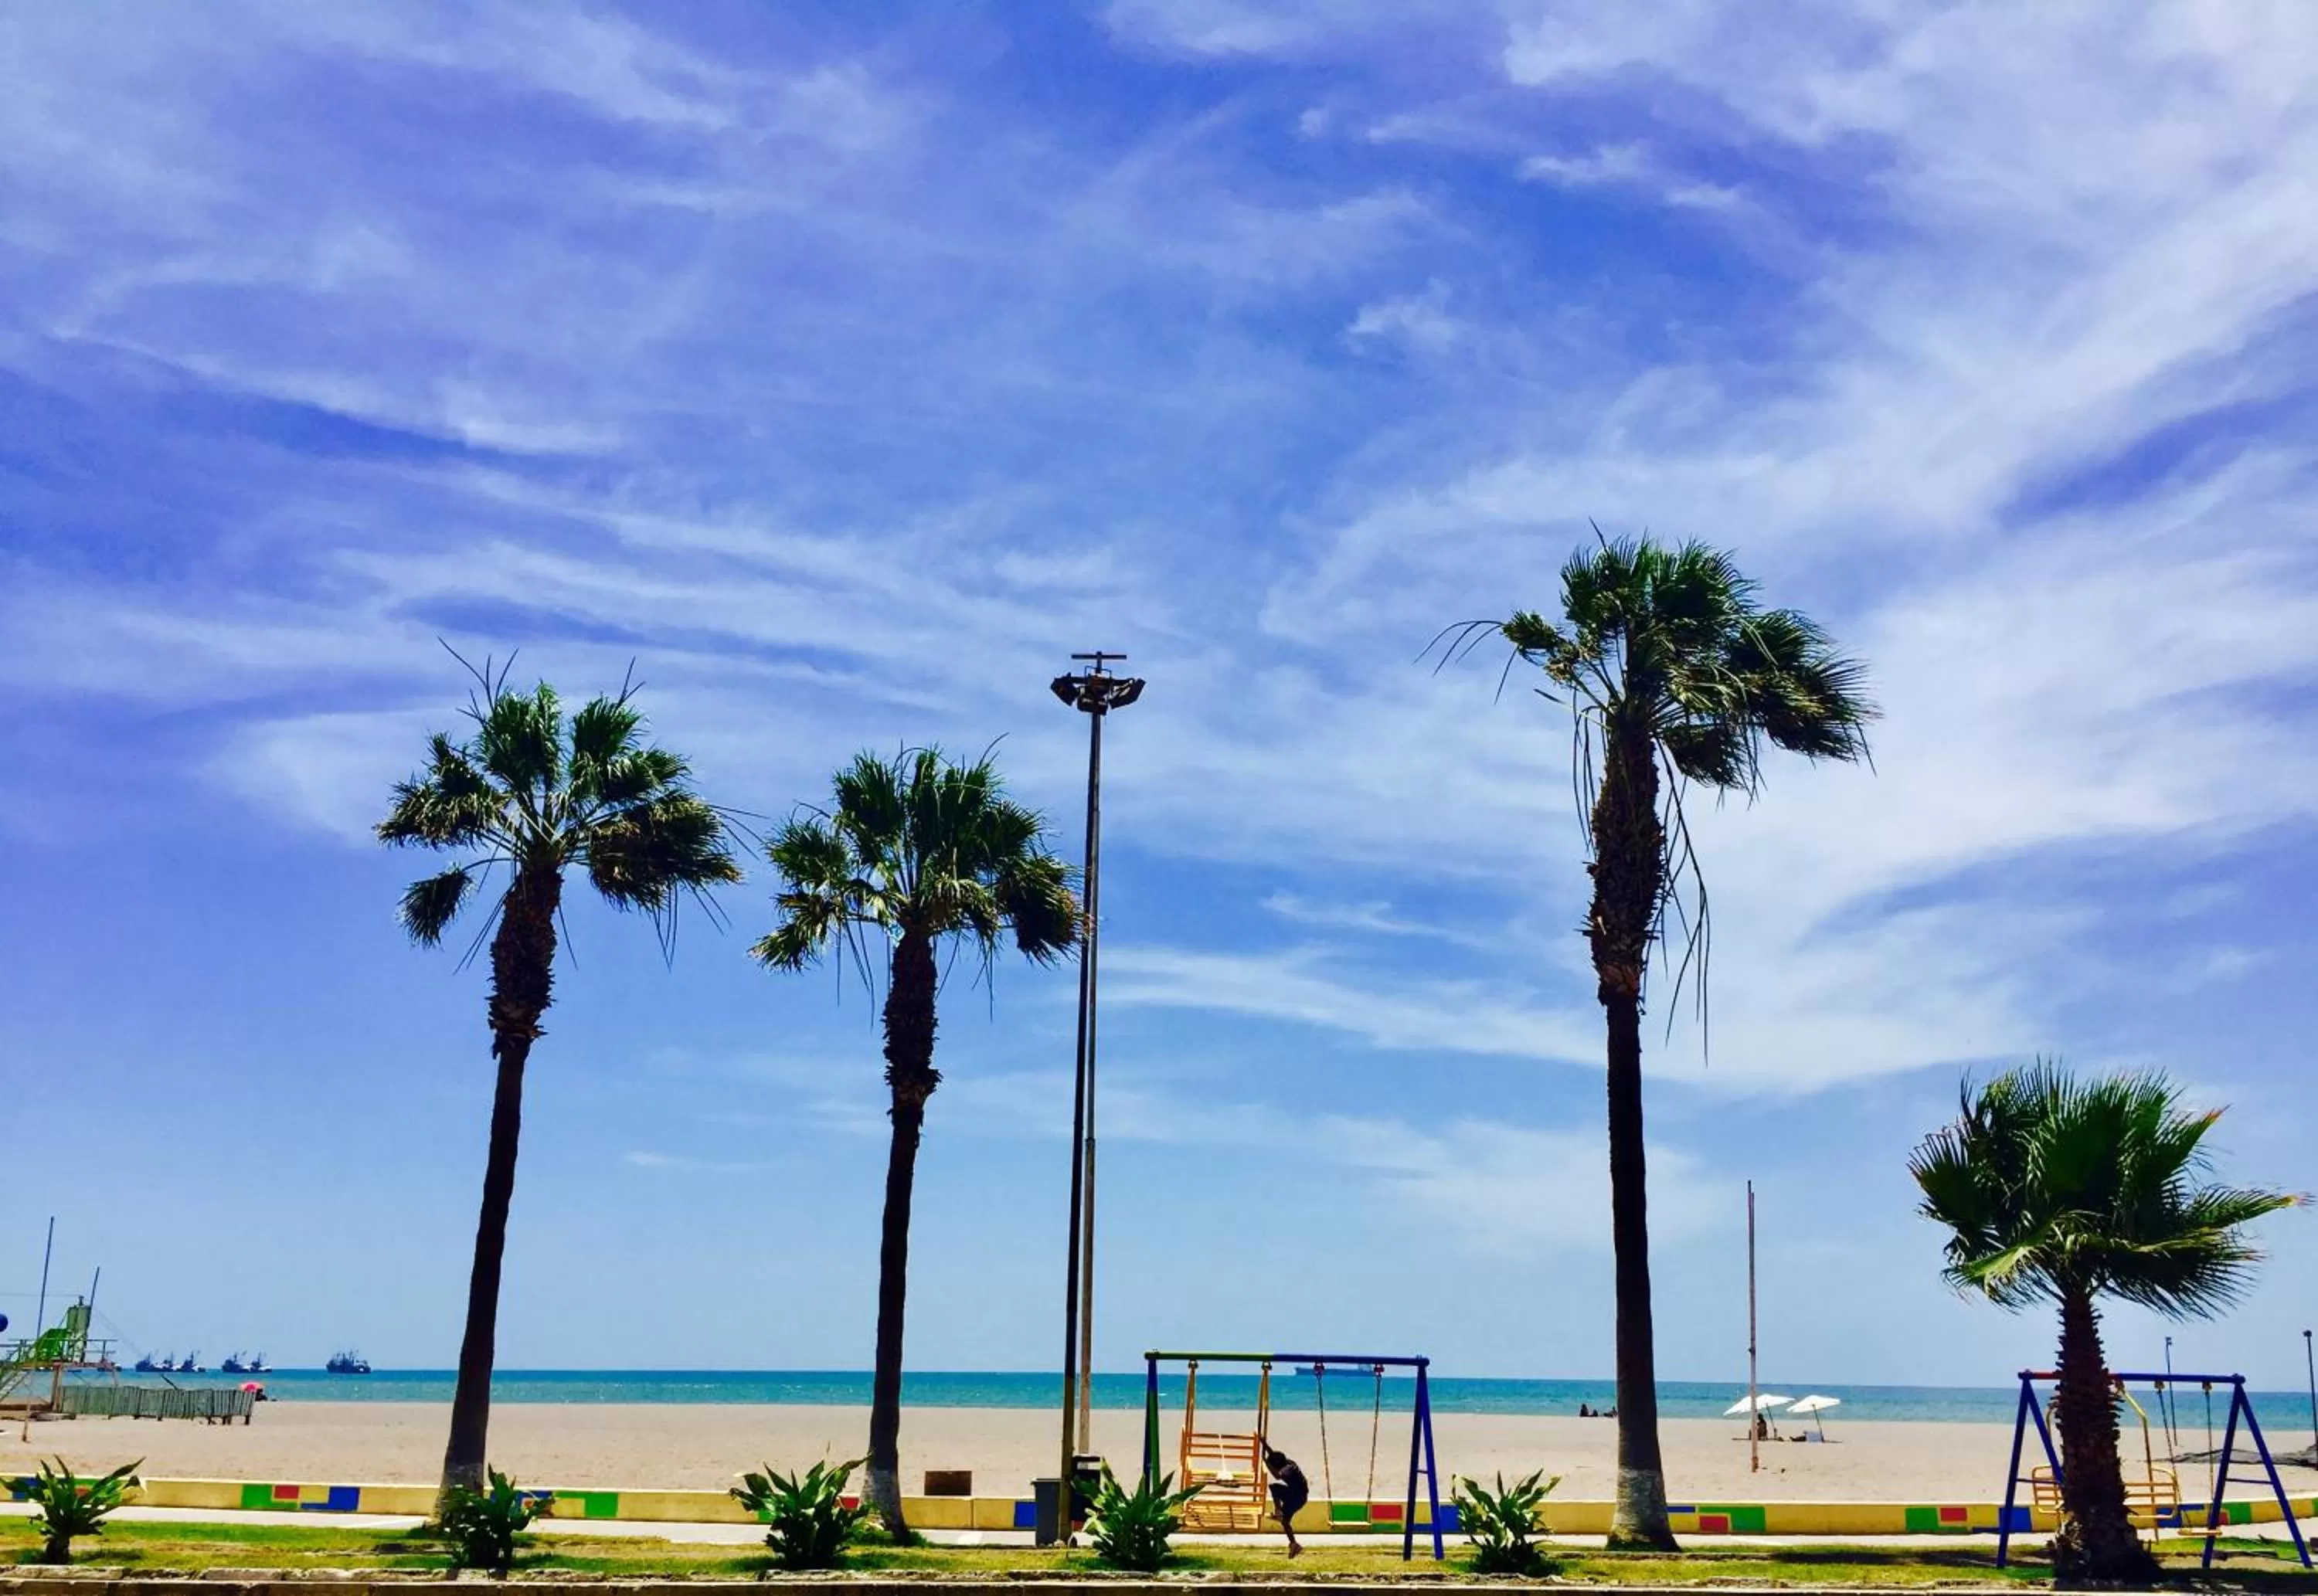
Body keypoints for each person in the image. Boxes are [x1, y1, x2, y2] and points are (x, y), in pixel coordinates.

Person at [1263, 1444, 1310, 1557]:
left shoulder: (1288, 1469)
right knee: (1285, 1521)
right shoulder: (1287, 1462)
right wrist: (1264, 1443)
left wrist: (1266, 1462)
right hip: (1298, 1497)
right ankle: (1294, 1545)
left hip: (1296, 1497)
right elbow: (1273, 1454)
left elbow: (1277, 1476)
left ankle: (1278, 1512)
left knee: (1274, 1488)